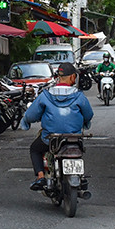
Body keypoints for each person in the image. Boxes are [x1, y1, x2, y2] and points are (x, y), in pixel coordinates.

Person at [20, 61, 94, 191]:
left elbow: (31, 115)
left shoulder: (46, 95)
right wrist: (85, 122)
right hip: (74, 139)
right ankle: (79, 176)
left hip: (50, 139)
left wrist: (26, 121)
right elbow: (88, 115)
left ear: (58, 77)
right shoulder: (79, 96)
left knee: (35, 149)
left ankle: (41, 177)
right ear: (72, 77)